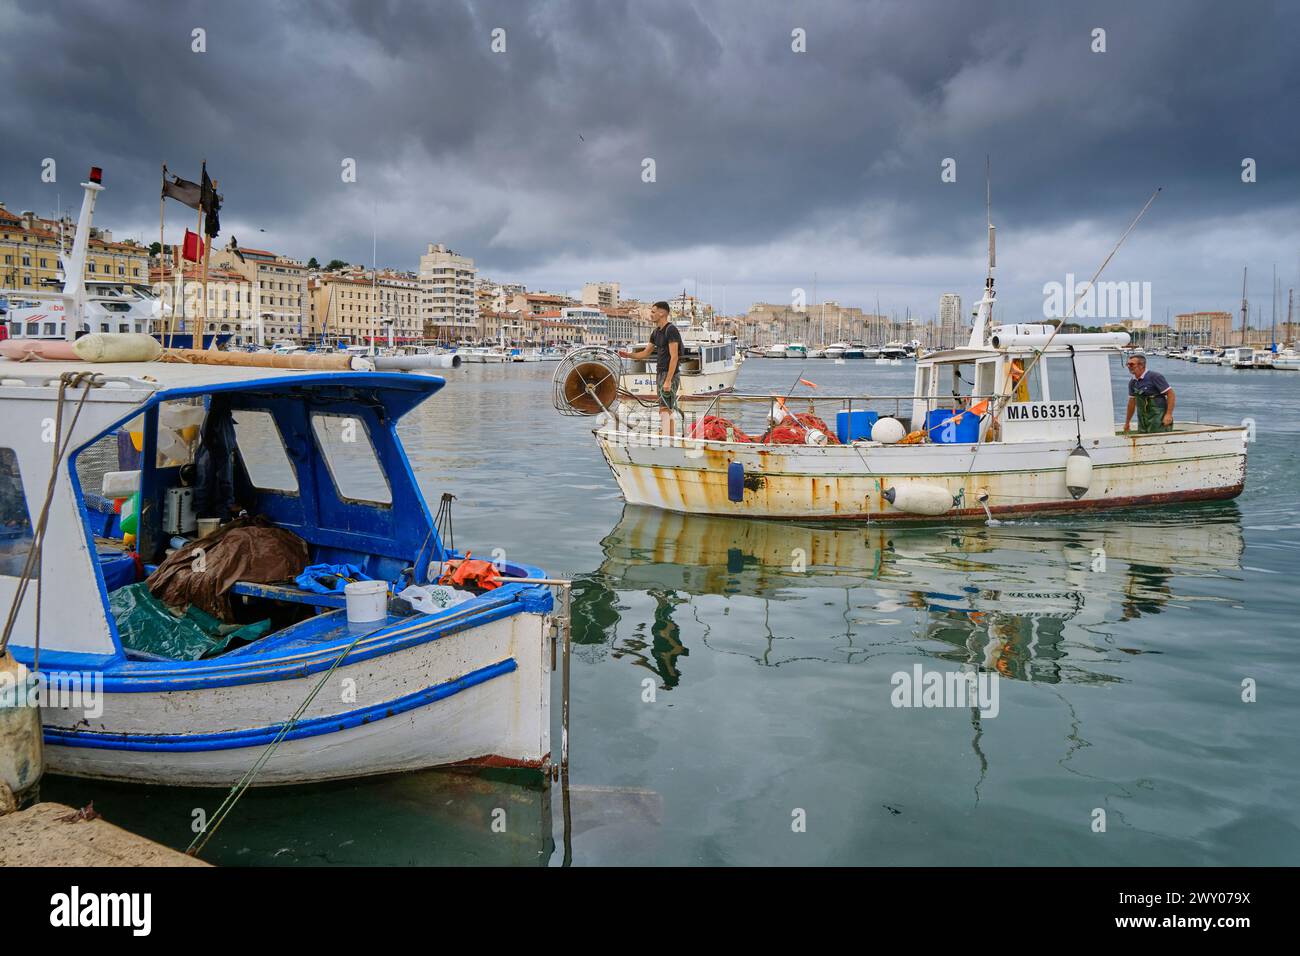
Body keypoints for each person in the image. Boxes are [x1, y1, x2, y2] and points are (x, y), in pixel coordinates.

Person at [618, 301, 682, 436]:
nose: (650, 315)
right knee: (663, 407)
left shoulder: (671, 330)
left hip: (669, 374)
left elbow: (674, 357)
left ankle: (667, 437)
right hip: (660, 373)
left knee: (666, 408)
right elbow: (645, 353)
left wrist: (668, 381)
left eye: (653, 312)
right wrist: (629, 355)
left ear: (662, 313)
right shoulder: (655, 332)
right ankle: (666, 434)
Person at [1123, 353, 1175, 433]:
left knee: (1159, 440)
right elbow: (1131, 402)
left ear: (1141, 365)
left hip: (1158, 417)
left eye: (1131, 364)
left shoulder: (1155, 377)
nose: (1129, 366)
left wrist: (1168, 414)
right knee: (1143, 440)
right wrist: (1127, 422)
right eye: (1128, 364)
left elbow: (1171, 394)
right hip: (1142, 419)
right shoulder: (1132, 382)